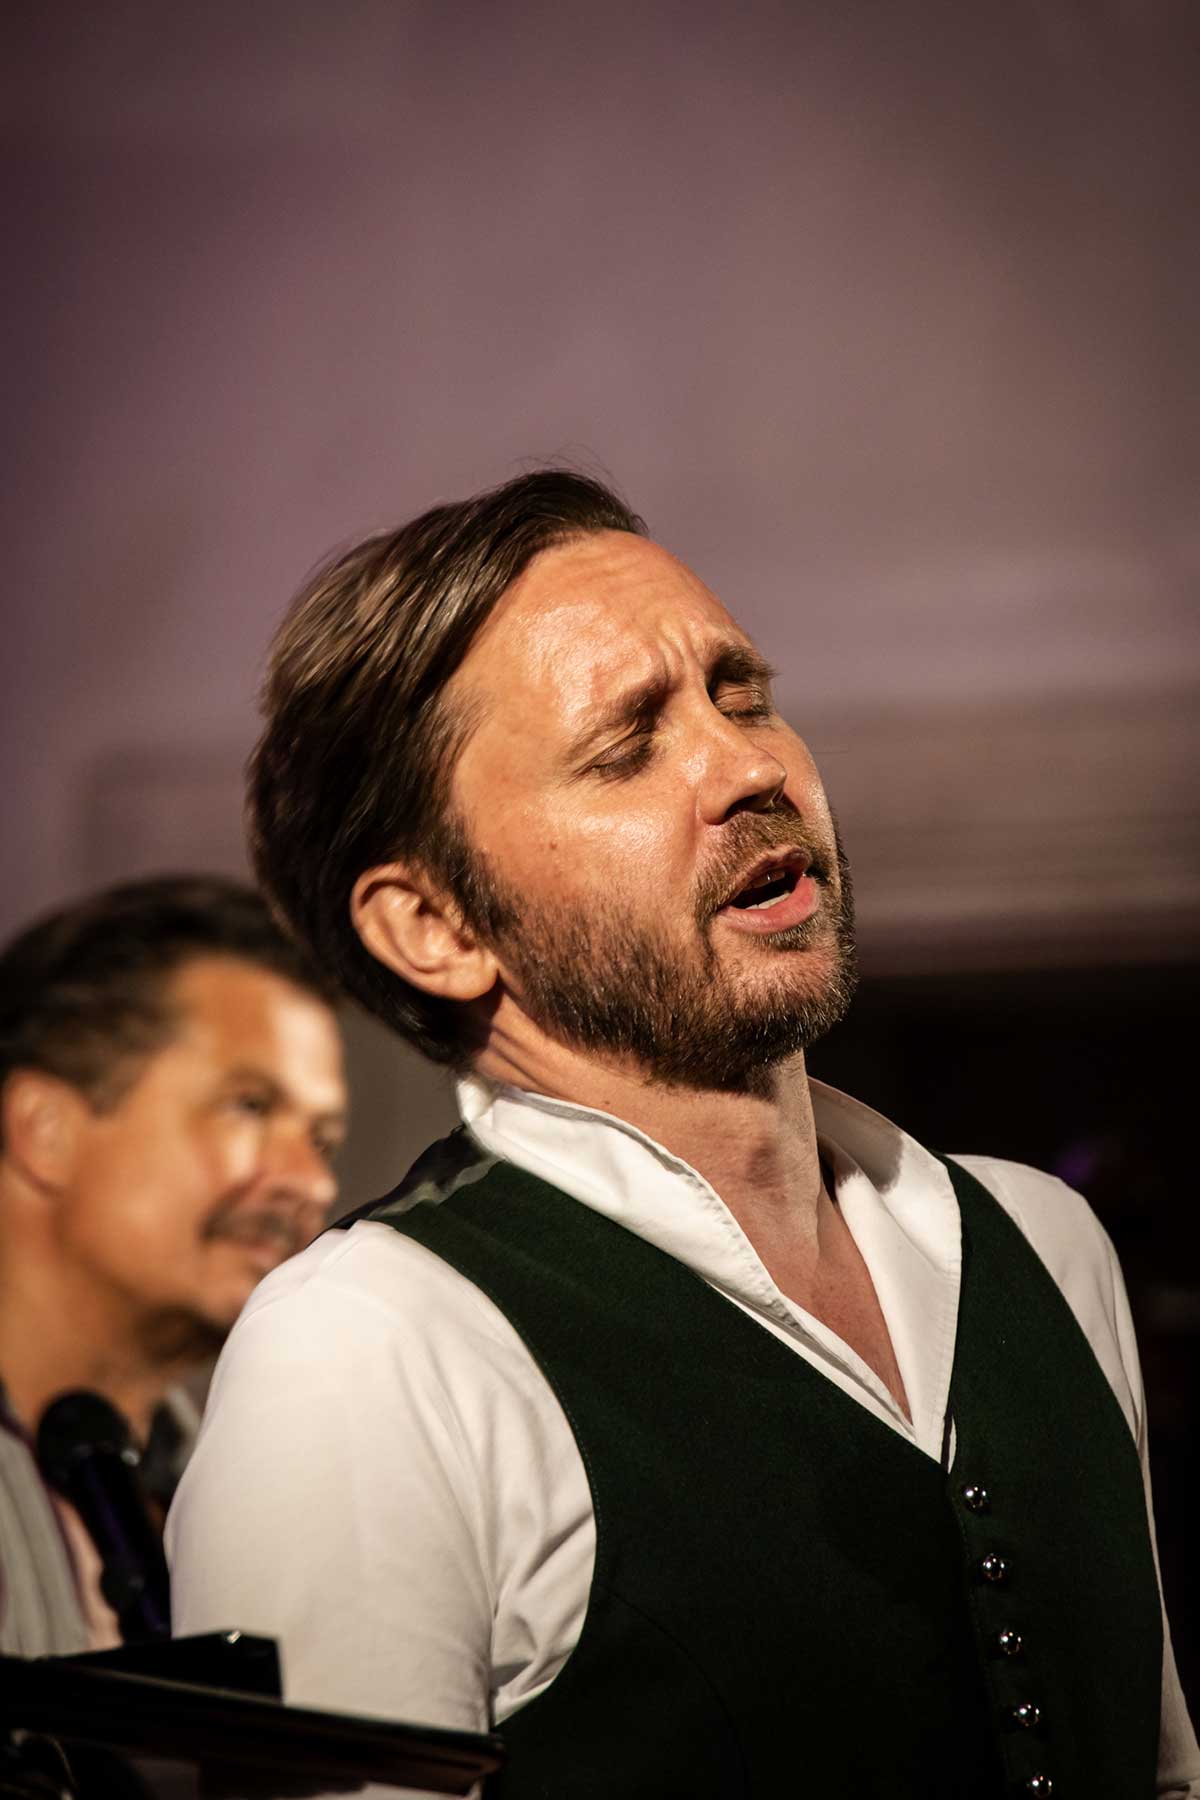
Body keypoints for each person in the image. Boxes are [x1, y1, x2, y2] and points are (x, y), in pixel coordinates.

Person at [168, 473, 1199, 1797]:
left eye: (741, 694)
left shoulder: (1042, 1243)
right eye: (626, 746)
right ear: (437, 927)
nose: (751, 767)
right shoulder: (369, 1346)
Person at [0, 875, 347, 1655]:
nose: (313, 1182)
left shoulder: (254, 1500)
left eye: (323, 1139)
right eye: (250, 1106)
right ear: (44, 1129)